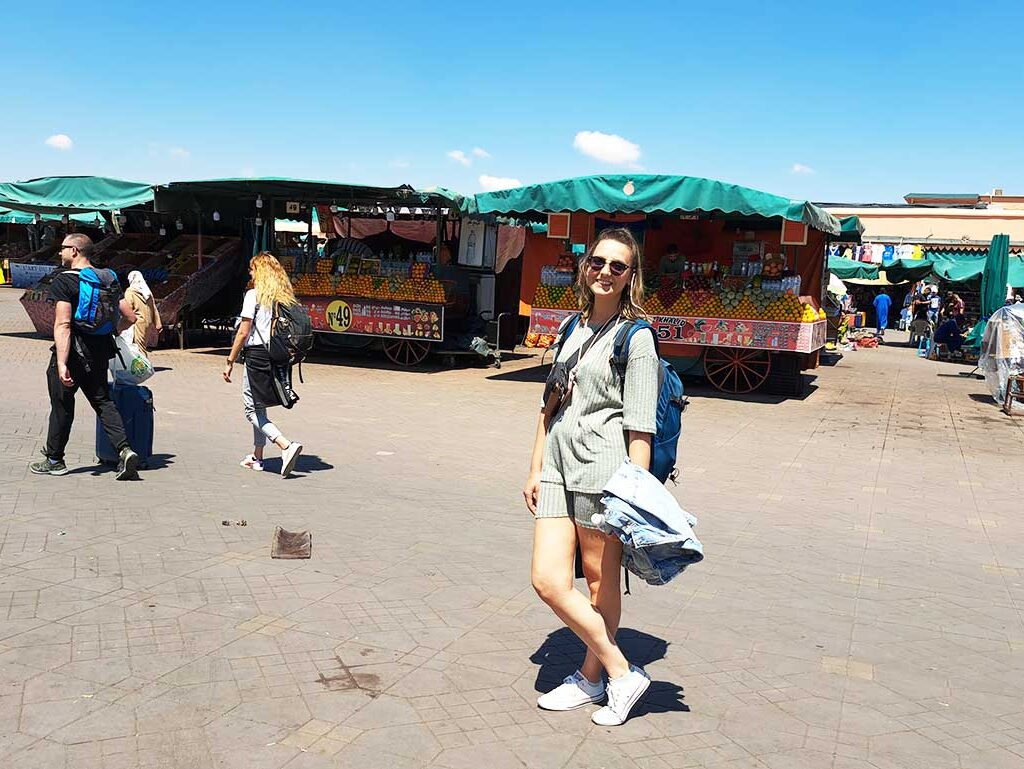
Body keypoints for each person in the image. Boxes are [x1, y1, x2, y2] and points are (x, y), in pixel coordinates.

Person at [524, 228, 659, 727]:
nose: (605, 271)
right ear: (585, 267)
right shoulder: (570, 328)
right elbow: (549, 404)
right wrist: (535, 465)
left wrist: (634, 493)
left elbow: (640, 425)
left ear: (630, 277)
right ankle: (622, 671)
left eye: (617, 266)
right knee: (547, 580)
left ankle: (592, 675)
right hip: (557, 470)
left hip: (604, 474)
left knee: (602, 580)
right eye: (597, 262)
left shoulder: (637, 338)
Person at [29, 234, 140, 479]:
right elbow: (131, 317)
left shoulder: (63, 281)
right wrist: (112, 330)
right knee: (103, 401)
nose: (60, 253)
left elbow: (63, 324)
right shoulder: (108, 278)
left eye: (63, 248)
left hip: (72, 353)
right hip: (100, 350)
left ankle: (55, 460)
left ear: (76, 251)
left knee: (62, 405)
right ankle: (125, 450)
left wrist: (61, 362)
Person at [222, 252, 304, 477]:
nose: (250, 273)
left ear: (260, 272)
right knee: (259, 404)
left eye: (252, 269)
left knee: (250, 408)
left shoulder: (253, 295)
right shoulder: (281, 297)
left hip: (256, 354)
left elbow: (243, 331)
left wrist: (230, 360)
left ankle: (286, 446)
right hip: (275, 353)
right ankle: (257, 457)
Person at [122, 270, 162, 355]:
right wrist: (158, 324)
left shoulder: (130, 291)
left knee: (138, 347)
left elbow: (128, 306)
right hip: (148, 322)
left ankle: (144, 366)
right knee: (143, 344)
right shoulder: (147, 292)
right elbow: (153, 308)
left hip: (137, 322)